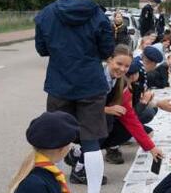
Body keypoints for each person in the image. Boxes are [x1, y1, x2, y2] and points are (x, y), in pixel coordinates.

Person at [35, 0, 114, 193]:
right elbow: (107, 50)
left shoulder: (47, 13)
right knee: (91, 141)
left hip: (59, 83)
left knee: (56, 140)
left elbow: (42, 49)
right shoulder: (98, 15)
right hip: (90, 83)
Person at [69, 45, 165, 179]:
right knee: (104, 123)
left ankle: (79, 153)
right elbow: (77, 105)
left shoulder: (121, 83)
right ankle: (79, 170)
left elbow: (130, 118)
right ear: (109, 60)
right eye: (119, 64)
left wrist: (151, 148)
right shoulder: (94, 75)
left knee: (124, 128)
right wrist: (106, 110)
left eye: (126, 66)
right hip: (75, 120)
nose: (122, 69)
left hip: (95, 122)